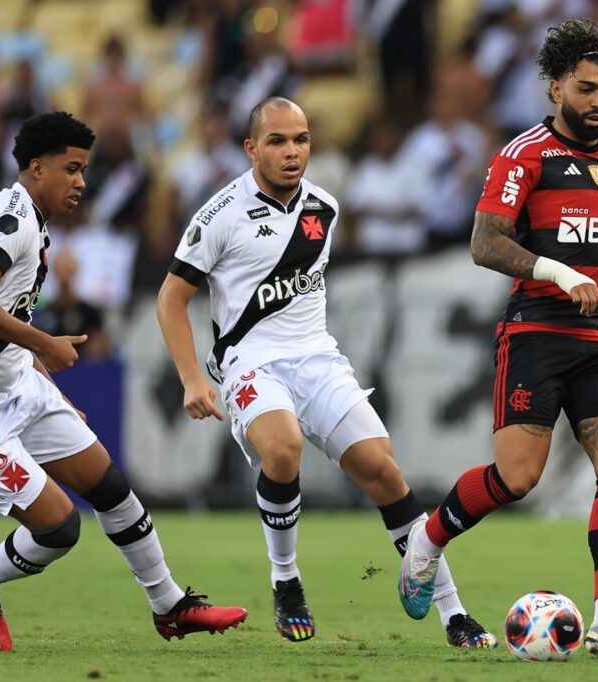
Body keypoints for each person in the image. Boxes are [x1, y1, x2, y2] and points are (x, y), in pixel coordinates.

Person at [156, 97, 495, 648]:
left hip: (318, 358)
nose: (292, 152)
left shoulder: (324, 209)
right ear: (251, 148)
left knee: (384, 473)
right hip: (250, 362)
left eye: (301, 140)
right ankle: (286, 581)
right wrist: (193, 377)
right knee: (283, 447)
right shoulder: (219, 215)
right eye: (277, 141)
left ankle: (454, 614)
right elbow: (171, 299)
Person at [0, 111, 247, 652]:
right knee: (59, 529)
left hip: (21, 386)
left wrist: (49, 383)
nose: (81, 182)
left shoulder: (33, 222)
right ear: (35, 167)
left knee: (112, 489)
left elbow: (7, 311)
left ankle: (170, 607)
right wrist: (42, 341)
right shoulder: (10, 220)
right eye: (71, 169)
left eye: (84, 171)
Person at [397, 19, 598, 658]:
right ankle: (428, 539)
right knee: (518, 478)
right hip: (536, 333)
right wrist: (555, 270)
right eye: (586, 88)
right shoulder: (525, 155)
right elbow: (484, 242)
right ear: (554, 87)